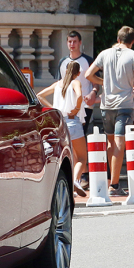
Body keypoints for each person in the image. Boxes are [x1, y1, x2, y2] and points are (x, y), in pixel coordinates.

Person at [84, 26, 134, 196]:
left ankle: (109, 182)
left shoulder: (105, 53)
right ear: (132, 41)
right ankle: (114, 184)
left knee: (111, 143)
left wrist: (103, 81)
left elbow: (88, 75)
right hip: (124, 105)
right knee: (120, 144)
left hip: (106, 105)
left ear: (118, 39)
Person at [38, 59, 87, 197]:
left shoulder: (57, 84)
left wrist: (54, 108)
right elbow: (79, 96)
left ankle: (65, 185)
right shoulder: (75, 82)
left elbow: (39, 95)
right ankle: (76, 180)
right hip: (72, 121)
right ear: (77, 73)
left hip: (59, 124)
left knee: (67, 156)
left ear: (65, 71)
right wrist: (76, 108)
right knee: (82, 157)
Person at [58, 30, 97, 134]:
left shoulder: (88, 60)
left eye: (75, 41)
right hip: (67, 106)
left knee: (80, 133)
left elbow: (96, 82)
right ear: (67, 43)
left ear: (80, 42)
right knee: (67, 135)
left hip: (84, 105)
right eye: (70, 41)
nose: (72, 44)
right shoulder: (62, 62)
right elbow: (60, 84)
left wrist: (93, 93)